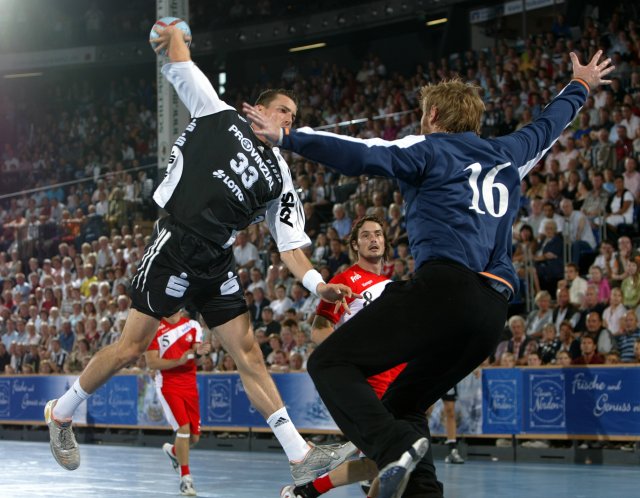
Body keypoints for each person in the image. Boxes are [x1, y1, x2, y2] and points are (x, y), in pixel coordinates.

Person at [244, 50, 613, 498]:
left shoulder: (430, 149)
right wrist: (580, 85)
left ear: (433, 115)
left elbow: (361, 153)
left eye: (423, 114)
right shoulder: (509, 153)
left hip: (445, 289)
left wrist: (288, 137)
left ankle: (393, 447)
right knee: (404, 404)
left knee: (329, 363)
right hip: (491, 313)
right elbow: (548, 126)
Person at [44, 24, 356, 486]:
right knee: (132, 347)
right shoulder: (218, 112)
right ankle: (62, 413)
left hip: (216, 260)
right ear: (260, 109)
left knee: (248, 351)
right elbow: (180, 59)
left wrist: (317, 284)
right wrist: (172, 32)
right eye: (283, 112)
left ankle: (299, 454)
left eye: (294, 118)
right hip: (176, 244)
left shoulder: (281, 176)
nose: (289, 122)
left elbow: (290, 244)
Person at [282, 215, 402, 498]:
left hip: (397, 381)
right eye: (366, 235)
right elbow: (319, 331)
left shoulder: (392, 286)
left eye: (378, 234)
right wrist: (351, 364)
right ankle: (307, 491)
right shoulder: (344, 281)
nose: (373, 239)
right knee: (388, 458)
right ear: (355, 245)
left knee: (383, 462)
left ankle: (306, 491)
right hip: (369, 385)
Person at [144, 310, 212, 496]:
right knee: (183, 429)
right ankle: (186, 479)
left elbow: (198, 360)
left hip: (189, 384)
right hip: (168, 384)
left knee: (194, 438)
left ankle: (174, 451)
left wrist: (200, 353)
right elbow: (152, 363)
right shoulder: (154, 328)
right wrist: (179, 361)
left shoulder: (192, 325)